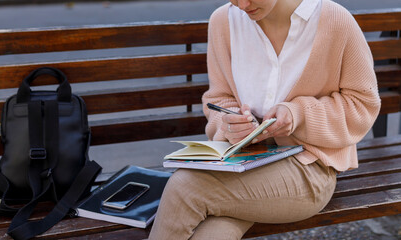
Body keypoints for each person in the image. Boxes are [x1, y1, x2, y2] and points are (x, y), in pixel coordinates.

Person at [149, 0, 381, 239]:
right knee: (212, 232)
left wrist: (297, 114)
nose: (242, 4)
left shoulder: (334, 20)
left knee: (185, 187)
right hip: (240, 163)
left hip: (307, 167)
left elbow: (361, 104)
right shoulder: (224, 21)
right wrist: (230, 125)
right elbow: (219, 99)